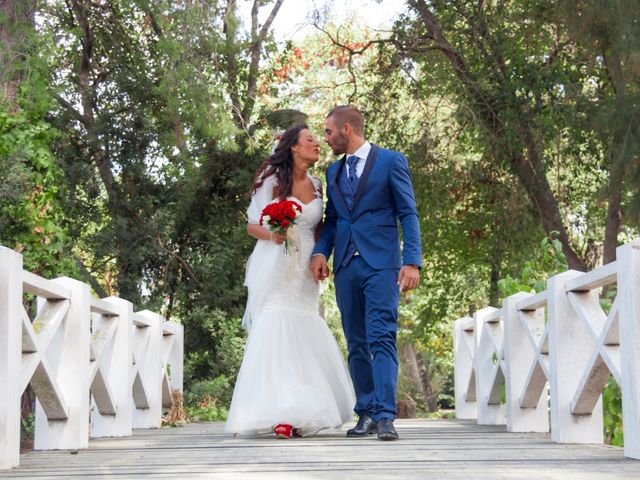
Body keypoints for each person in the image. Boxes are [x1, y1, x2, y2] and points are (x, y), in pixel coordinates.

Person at [225, 124, 355, 439]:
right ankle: (279, 413)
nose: (317, 143)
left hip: (307, 263)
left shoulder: (317, 183)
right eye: (311, 139)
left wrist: (323, 256)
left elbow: (322, 226)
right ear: (294, 147)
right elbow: (252, 226)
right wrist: (274, 233)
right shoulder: (270, 181)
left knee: (304, 327)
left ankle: (303, 412)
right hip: (276, 260)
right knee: (274, 324)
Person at [310, 106, 422, 441]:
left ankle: (386, 416)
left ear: (347, 128)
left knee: (382, 336)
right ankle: (367, 412)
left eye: (329, 132)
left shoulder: (390, 161)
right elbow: (333, 221)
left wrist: (412, 261)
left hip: (382, 264)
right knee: (356, 341)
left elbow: (408, 212)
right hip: (345, 265)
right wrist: (320, 252)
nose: (326, 139)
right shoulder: (333, 172)